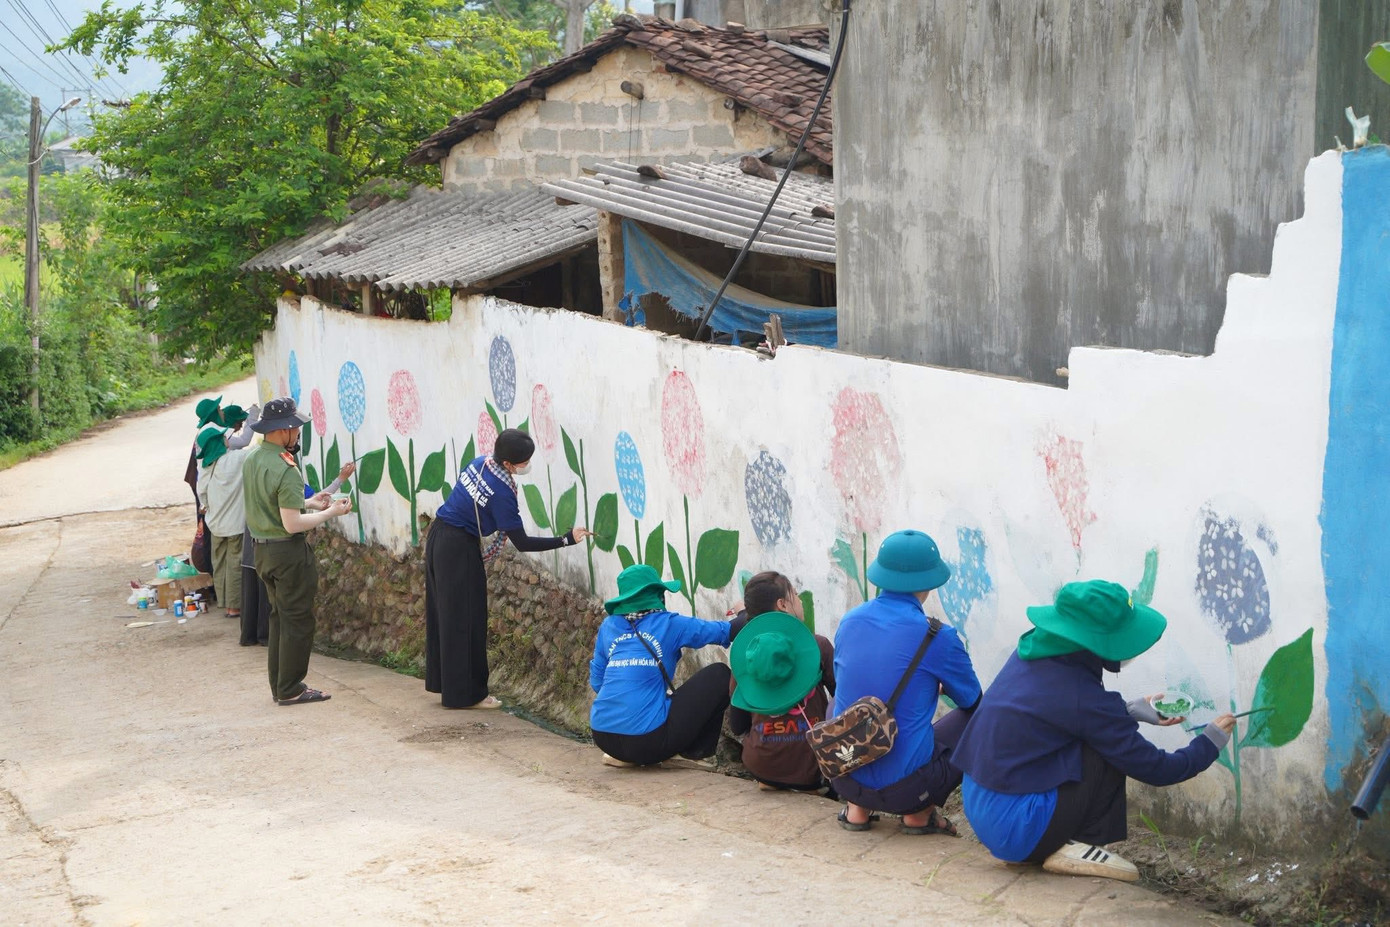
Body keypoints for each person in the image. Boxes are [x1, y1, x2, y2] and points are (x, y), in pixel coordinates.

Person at [951, 580, 1238, 882]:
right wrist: (1208, 744)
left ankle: (1040, 846)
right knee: (1105, 753)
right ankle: (1073, 845)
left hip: (982, 807)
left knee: (1099, 740)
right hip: (1019, 828)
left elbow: (1059, 715)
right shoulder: (1083, 698)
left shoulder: (1032, 652)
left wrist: (1126, 711)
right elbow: (1156, 768)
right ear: (1098, 640)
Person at [425, 428, 591, 709]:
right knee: (468, 621)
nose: (527, 465)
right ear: (508, 464)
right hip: (458, 549)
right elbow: (523, 542)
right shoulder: (502, 493)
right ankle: (469, 695)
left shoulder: (479, 463)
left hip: (439, 536)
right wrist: (566, 539)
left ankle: (447, 686)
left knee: (447, 616)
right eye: (524, 461)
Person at [830, 529, 982, 834]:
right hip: (908, 791)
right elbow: (972, 700)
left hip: (842, 773)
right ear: (928, 582)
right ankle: (919, 814)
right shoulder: (940, 637)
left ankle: (857, 808)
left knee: (839, 703)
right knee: (981, 716)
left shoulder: (849, 621)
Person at [242, 397, 352, 705]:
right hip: (286, 554)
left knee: (279, 619)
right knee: (298, 620)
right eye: (296, 428)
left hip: (261, 552)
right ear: (284, 430)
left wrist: (310, 502)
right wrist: (331, 513)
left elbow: (271, 502)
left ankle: (281, 685)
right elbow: (292, 524)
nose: (298, 433)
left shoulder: (253, 459)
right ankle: (290, 688)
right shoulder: (285, 467)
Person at [590, 564, 733, 767]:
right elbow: (723, 632)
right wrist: (749, 612)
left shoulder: (609, 626)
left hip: (603, 736)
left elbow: (597, 681)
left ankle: (626, 757)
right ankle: (694, 752)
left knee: (657, 698)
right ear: (657, 595)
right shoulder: (668, 623)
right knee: (719, 675)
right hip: (647, 742)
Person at [727, 571, 835, 792]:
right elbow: (843, 701)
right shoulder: (818, 646)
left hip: (761, 765)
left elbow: (737, 726)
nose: (800, 600)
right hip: (810, 770)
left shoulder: (744, 655)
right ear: (783, 605)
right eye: (795, 594)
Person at [195, 404, 259, 620]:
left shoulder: (205, 466)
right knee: (235, 564)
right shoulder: (235, 460)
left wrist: (209, 506)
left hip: (215, 523)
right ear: (220, 442)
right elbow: (256, 450)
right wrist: (255, 417)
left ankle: (224, 601)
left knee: (220, 564)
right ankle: (234, 606)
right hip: (234, 525)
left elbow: (201, 494)